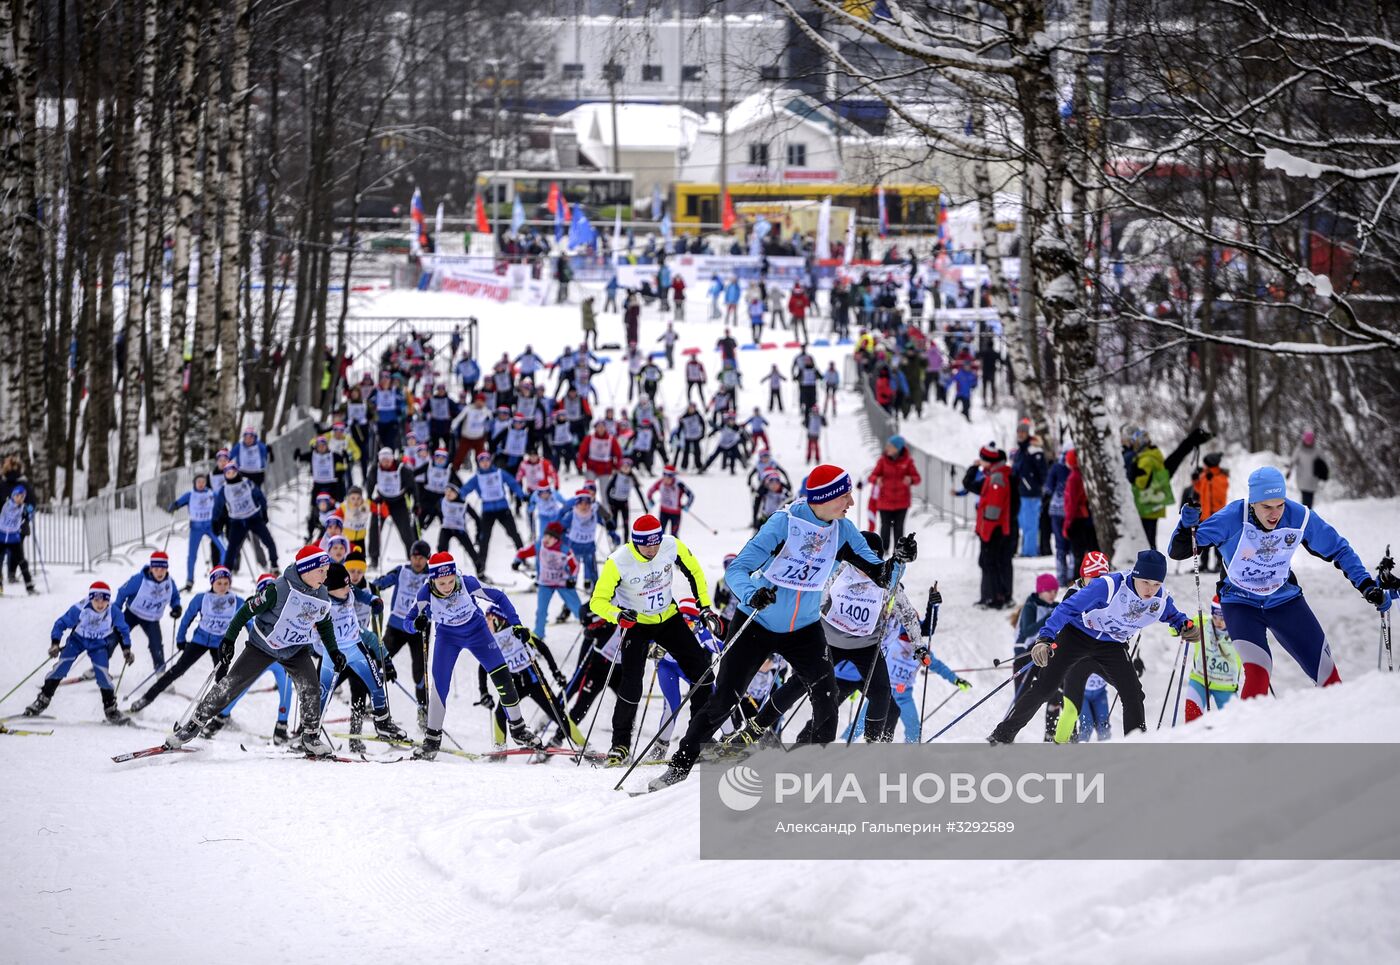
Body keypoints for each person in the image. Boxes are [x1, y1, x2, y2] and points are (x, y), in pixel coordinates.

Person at [650, 466, 914, 791]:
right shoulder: (783, 524)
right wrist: (752, 594)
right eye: (844, 494)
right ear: (826, 497)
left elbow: (882, 576)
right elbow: (739, 570)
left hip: (804, 628)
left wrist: (899, 560)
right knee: (723, 702)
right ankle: (677, 768)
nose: (850, 501)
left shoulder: (844, 531)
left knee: (827, 699)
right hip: (757, 622)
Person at [1170, 465, 1384, 698]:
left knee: (1328, 676)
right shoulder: (1232, 518)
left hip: (1285, 602)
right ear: (1252, 503)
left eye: (1280, 505)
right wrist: (1185, 526)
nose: (1275, 514)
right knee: (1259, 672)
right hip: (1240, 603)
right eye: (1266, 507)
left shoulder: (1299, 517)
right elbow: (1180, 550)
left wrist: (1365, 583)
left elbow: (1339, 549)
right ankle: (1248, 731)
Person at [988, 549, 1198, 743]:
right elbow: (1067, 608)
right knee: (1045, 688)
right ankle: (1002, 736)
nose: (1150, 590)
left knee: (1133, 694)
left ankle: (1136, 744)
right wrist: (1045, 638)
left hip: (1111, 645)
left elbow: (1173, 615)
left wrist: (1185, 626)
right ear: (1135, 575)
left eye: (1156, 584)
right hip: (1077, 636)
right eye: (1145, 582)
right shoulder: (1108, 586)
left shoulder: (1159, 599)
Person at [163, 545, 347, 757]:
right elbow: (246, 610)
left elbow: (324, 623)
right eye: (321, 571)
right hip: (263, 646)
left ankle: (311, 737)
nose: (325, 576)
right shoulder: (278, 589)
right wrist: (229, 640)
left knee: (310, 686)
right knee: (231, 685)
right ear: (306, 570)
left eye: (326, 571)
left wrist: (334, 652)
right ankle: (193, 726)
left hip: (295, 649)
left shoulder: (322, 594)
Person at [587, 514, 718, 766]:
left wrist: (704, 606)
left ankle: (699, 737)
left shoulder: (671, 545)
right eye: (646, 544)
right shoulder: (618, 561)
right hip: (636, 623)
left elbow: (695, 572)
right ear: (635, 542)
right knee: (631, 683)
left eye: (656, 542)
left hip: (668, 617)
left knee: (703, 674)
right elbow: (597, 601)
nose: (652, 548)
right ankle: (620, 745)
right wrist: (617, 615)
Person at [405, 552, 542, 760]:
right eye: (442, 583)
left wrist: (516, 623)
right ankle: (432, 740)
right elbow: (408, 621)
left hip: (477, 631)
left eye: (451, 581)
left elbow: (499, 596)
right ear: (433, 579)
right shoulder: (425, 594)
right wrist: (417, 625)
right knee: (439, 685)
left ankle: (518, 729)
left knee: (503, 677)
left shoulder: (467, 583)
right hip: (448, 637)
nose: (448, 587)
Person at [318, 562, 408, 747]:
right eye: (343, 586)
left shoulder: (349, 591)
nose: (348, 588)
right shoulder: (322, 603)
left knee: (375, 683)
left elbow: (361, 594)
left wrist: (374, 600)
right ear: (329, 589)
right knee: (322, 693)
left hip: (355, 646)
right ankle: (310, 730)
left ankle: (382, 722)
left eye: (348, 584)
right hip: (332, 653)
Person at [130, 567, 242, 714]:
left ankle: (223, 716)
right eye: (219, 583)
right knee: (177, 670)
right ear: (212, 583)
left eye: (226, 583)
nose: (222, 587)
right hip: (200, 640)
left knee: (222, 681)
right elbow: (187, 619)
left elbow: (247, 621)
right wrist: (181, 638)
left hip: (220, 644)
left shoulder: (237, 601)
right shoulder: (201, 598)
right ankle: (146, 699)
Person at [23, 581, 134, 724]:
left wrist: (126, 649)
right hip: (77, 640)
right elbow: (60, 623)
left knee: (103, 674)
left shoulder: (113, 611)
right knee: (61, 667)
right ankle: (42, 700)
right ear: (91, 598)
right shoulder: (79, 609)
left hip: (98, 644)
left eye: (104, 600)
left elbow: (123, 630)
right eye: (96, 600)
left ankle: (111, 709)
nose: (100, 604)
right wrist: (55, 643)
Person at [374, 539, 434, 724]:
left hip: (419, 630)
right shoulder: (402, 571)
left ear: (427, 559)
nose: (417, 561)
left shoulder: (432, 577)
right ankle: (372, 702)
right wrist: (372, 590)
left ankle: (423, 709)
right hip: (397, 626)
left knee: (420, 671)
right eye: (415, 557)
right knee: (378, 661)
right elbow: (378, 584)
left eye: (421, 558)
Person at [963, 444, 1016, 608]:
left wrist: (986, 530)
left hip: (994, 530)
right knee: (989, 562)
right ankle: (993, 596)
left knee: (990, 562)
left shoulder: (997, 478)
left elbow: (994, 509)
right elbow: (970, 484)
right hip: (993, 529)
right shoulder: (993, 475)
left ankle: (993, 597)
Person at [512, 522, 584, 640]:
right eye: (545, 536)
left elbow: (575, 566)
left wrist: (572, 579)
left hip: (563, 584)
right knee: (541, 611)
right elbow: (523, 552)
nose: (546, 539)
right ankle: (538, 636)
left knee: (578, 609)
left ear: (556, 539)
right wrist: (517, 560)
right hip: (545, 584)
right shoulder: (540, 546)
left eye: (550, 537)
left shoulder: (565, 550)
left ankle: (592, 628)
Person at [114, 551, 183, 672]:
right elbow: (122, 592)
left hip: (151, 618)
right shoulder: (139, 580)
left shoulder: (169, 583)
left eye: (163, 569)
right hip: (132, 613)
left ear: (167, 569)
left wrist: (176, 607)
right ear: (151, 568)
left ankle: (160, 673)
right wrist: (116, 610)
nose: (159, 572)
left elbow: (175, 597)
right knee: (114, 636)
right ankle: (99, 666)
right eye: (156, 568)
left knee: (156, 645)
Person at [461, 449, 526, 575]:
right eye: (482, 461)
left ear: (490, 461)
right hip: (487, 511)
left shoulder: (499, 473)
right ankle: (481, 567)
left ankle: (523, 557)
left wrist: (522, 495)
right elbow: (465, 489)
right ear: (478, 463)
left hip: (503, 508)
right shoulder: (477, 477)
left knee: (513, 533)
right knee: (484, 539)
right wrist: (458, 497)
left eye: (487, 460)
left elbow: (513, 483)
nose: (485, 463)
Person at [1183, 596, 1242, 721]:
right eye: (1215, 617)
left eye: (1222, 618)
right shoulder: (1202, 622)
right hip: (1199, 680)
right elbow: (1175, 629)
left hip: (1226, 686)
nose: (1218, 622)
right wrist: (1183, 627)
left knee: (1232, 725)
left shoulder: (1240, 630)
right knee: (1191, 720)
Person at [217, 462, 278, 575]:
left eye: (233, 472)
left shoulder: (247, 483)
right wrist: (217, 521)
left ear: (237, 471)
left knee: (268, 541)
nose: (231, 475)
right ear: (225, 475)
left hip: (253, 517)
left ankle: (274, 565)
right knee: (232, 548)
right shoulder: (224, 489)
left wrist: (264, 512)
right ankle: (227, 572)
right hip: (237, 522)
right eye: (228, 473)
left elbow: (260, 496)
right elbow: (218, 506)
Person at [168, 475, 223, 590]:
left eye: (203, 481)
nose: (201, 484)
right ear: (195, 483)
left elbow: (222, 500)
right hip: (196, 528)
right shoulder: (190, 495)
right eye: (199, 482)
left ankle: (222, 577)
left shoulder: (211, 494)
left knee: (224, 549)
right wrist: (174, 506)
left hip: (210, 526)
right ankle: (189, 580)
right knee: (192, 555)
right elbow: (178, 502)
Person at [365, 448, 418, 568]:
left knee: (406, 532)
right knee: (374, 528)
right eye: (383, 460)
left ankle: (413, 558)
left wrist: (416, 503)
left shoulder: (402, 469)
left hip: (398, 502)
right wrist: (371, 498)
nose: (386, 462)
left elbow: (413, 486)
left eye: (388, 460)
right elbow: (369, 484)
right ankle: (374, 558)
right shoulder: (375, 469)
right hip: (382, 501)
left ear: (392, 459)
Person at [868, 434, 920, 546]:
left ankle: (898, 551)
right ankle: (884, 549)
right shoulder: (882, 461)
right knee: (885, 526)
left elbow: (917, 478)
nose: (887, 448)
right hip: (884, 501)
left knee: (899, 528)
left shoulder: (907, 462)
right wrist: (877, 479)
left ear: (898, 448)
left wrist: (910, 479)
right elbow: (871, 477)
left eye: (890, 446)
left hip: (902, 502)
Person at [1129, 428, 1172, 550]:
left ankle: (1150, 564)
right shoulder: (1155, 455)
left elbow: (1142, 483)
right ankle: (1153, 563)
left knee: (1147, 540)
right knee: (1151, 538)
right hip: (1154, 504)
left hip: (1146, 506)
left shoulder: (1146, 459)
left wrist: (1133, 476)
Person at [1012, 420, 1047, 557]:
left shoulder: (1034, 450)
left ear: (1027, 433)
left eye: (1023, 432)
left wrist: (1037, 486)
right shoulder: (1020, 451)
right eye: (1018, 432)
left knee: (1031, 524)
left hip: (1031, 493)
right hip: (1021, 492)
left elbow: (1043, 472)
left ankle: (1029, 552)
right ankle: (1026, 549)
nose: (1020, 434)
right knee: (1023, 524)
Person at [1190, 452, 1230, 572]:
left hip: (1217, 515)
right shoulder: (1206, 475)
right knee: (1203, 540)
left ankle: (1219, 563)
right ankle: (1204, 564)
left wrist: (1210, 480)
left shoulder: (1221, 477)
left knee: (1218, 541)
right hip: (1205, 514)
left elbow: (1219, 495)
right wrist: (1195, 479)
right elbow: (1200, 489)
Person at [0, 483, 37, 594]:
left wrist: (30, 513)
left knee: (22, 562)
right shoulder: (4, 504)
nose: (19, 499)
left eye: (22, 497)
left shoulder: (23, 509)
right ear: (13, 495)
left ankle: (30, 587)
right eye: (17, 496)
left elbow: (28, 517)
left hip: (14, 539)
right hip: (1, 537)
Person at [647, 465, 694, 535]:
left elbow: (691, 495)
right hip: (663, 512)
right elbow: (650, 491)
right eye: (664, 476)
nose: (666, 480)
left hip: (675, 514)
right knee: (660, 534)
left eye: (668, 477)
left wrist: (687, 505)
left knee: (674, 536)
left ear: (673, 477)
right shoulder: (660, 482)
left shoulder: (679, 484)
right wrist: (650, 500)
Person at [1286, 430, 1325, 508]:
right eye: (1307, 440)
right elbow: (1293, 460)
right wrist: (1289, 471)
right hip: (1302, 478)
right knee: (1305, 497)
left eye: (1310, 440)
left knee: (1310, 497)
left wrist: (1324, 472)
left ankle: (1308, 513)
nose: (1308, 442)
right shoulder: (1299, 450)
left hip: (1313, 478)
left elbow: (1323, 462)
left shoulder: (1317, 450)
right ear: (1304, 440)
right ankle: (1306, 513)